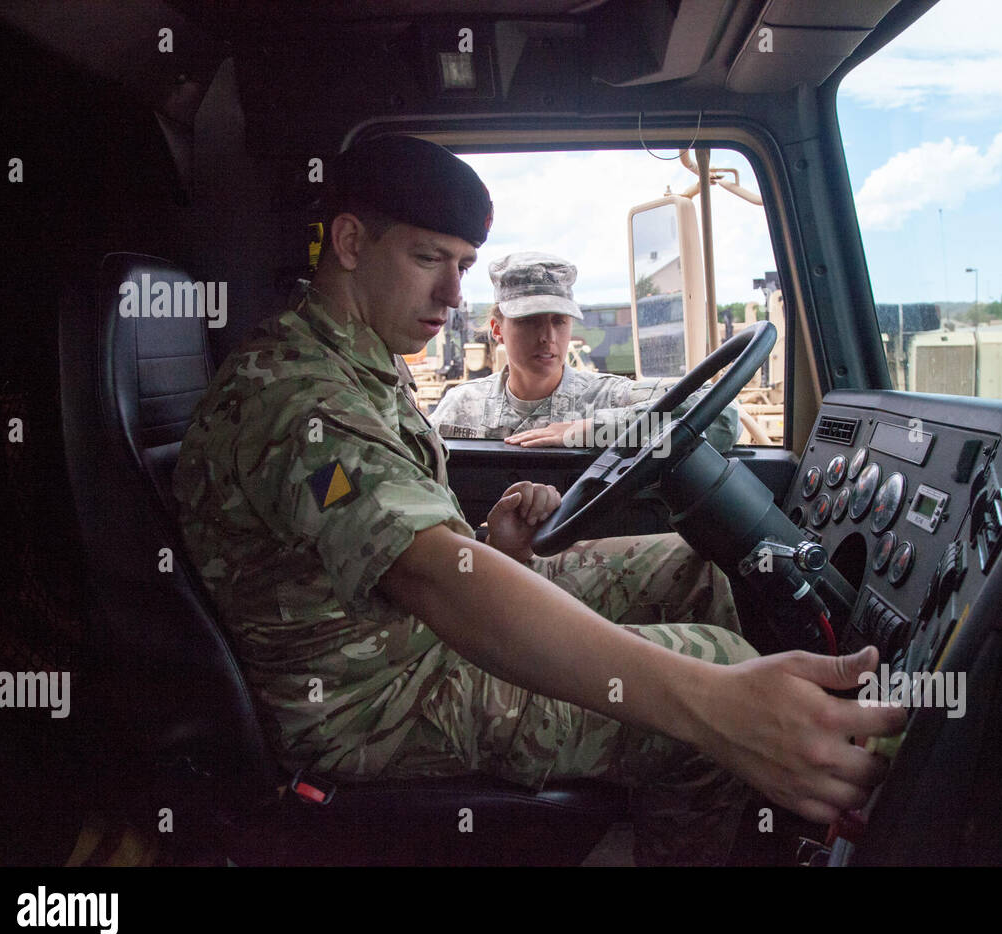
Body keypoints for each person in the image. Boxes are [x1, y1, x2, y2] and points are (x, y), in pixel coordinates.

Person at [172, 135, 904, 865]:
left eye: (462, 266)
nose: (454, 295)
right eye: (430, 258)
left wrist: (491, 554)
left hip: (406, 634)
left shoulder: (359, 359)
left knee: (694, 567)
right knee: (717, 670)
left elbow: (401, 556)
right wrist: (718, 703)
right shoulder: (297, 396)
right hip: (374, 700)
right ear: (352, 241)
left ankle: (665, 812)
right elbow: (428, 576)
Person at [429, 252, 739, 454]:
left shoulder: (606, 397)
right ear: (497, 329)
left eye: (558, 321)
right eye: (528, 322)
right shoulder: (460, 404)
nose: (547, 337)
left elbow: (724, 417)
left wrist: (591, 430)